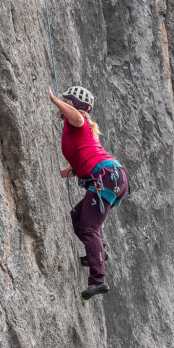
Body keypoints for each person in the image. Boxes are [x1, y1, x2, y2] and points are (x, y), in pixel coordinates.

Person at [50, 85, 128, 301]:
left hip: (107, 177)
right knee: (78, 217)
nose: (64, 103)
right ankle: (96, 254)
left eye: (68, 100)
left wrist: (55, 100)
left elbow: (78, 117)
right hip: (108, 176)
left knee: (88, 228)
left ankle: (98, 279)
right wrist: (66, 172)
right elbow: (86, 157)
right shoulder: (76, 128)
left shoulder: (78, 121)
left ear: (74, 104)